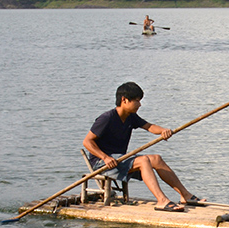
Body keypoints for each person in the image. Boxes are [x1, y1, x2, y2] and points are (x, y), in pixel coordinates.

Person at [83, 82, 201, 212]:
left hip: (120, 159)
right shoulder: (107, 118)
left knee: (156, 159)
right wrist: (105, 158)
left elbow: (149, 126)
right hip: (103, 163)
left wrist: (163, 131)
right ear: (124, 100)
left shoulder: (130, 117)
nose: (139, 104)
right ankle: (162, 201)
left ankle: (185, 195)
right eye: (137, 101)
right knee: (143, 160)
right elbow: (87, 142)